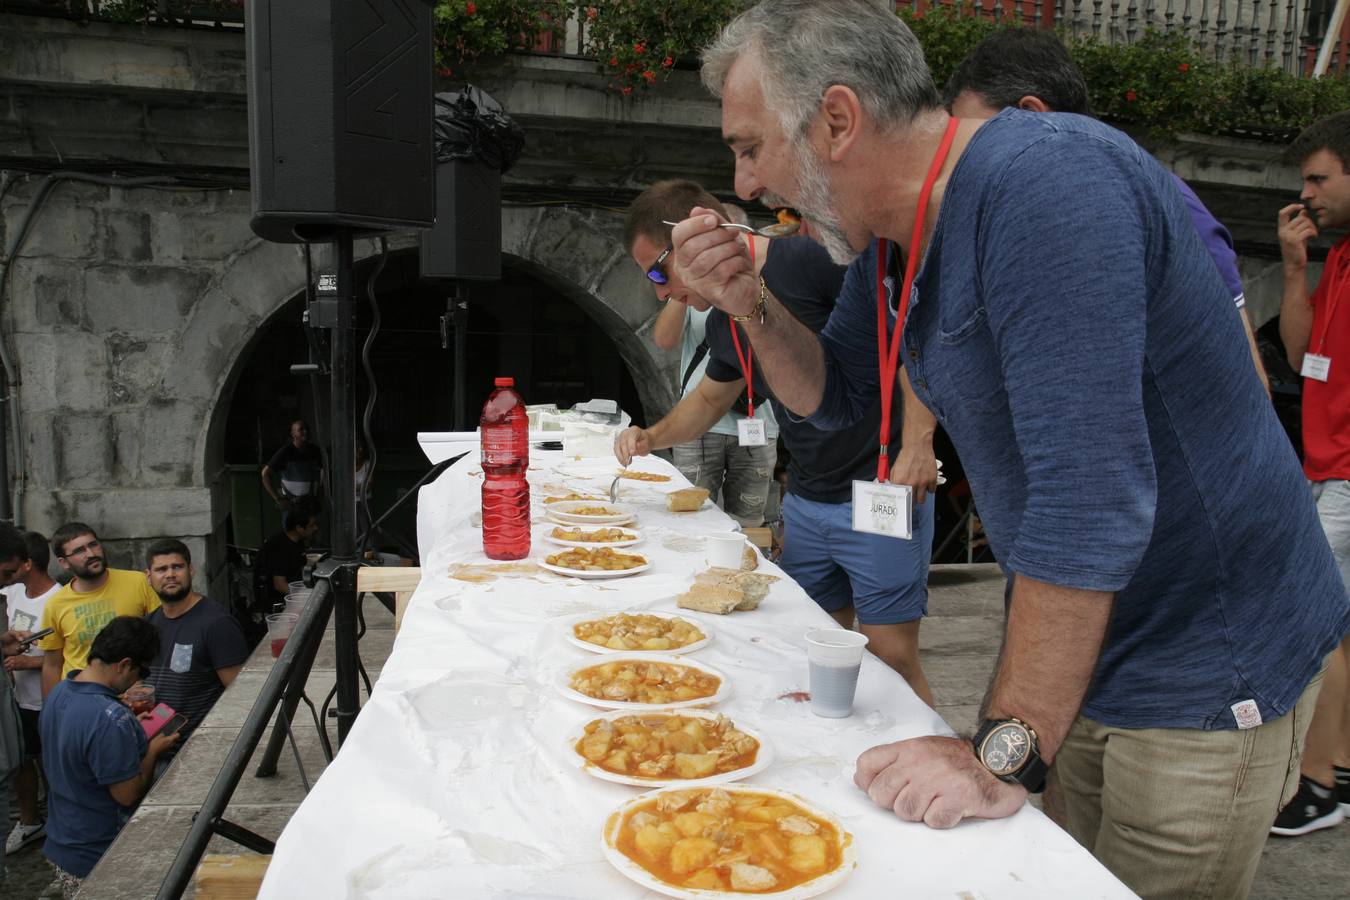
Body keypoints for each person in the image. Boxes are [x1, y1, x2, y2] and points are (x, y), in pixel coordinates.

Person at [692, 3, 1349, 897]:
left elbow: (1091, 499)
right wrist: (749, 304)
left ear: (838, 121)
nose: (749, 183)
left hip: (1209, 652)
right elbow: (841, 408)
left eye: (749, 146)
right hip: (1096, 649)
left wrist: (999, 752)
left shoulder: (1046, 184)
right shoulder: (899, 240)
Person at [616, 180, 938, 703]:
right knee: (817, 648)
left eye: (658, 272)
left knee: (892, 658)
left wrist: (919, 442)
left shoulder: (813, 259)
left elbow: (912, 341)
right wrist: (650, 437)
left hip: (878, 489)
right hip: (808, 502)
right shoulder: (724, 315)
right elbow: (707, 402)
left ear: (699, 232)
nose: (659, 293)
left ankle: (933, 773)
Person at [943, 27, 1270, 395]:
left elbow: (1248, 385)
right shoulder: (1039, 213)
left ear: (1031, 114)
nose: (966, 164)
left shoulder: (1165, 202)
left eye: (975, 140)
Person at [1273, 109, 1350, 836]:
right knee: (1340, 632)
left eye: (1319, 178)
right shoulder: (1341, 260)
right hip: (1325, 470)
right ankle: (1340, 768)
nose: (1308, 194)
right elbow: (1301, 359)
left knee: (1317, 630)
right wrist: (1297, 268)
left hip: (1346, 476)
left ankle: (1319, 785)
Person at [647, 193, 779, 527]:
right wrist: (687, 285)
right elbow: (663, 339)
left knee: (750, 522)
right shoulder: (696, 299)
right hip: (700, 422)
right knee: (691, 519)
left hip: (757, 421)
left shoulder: (767, 286)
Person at [40, 616, 179, 896]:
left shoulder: (59, 692)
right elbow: (126, 795)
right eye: (142, 671)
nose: (139, 680)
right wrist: (152, 751)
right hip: (97, 853)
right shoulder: (110, 719)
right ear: (124, 664)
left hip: (62, 842)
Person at [144, 540, 249, 773]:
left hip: (198, 755)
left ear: (191, 570)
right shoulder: (149, 623)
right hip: (154, 750)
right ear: (148, 576)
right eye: (161, 569)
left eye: (177, 567)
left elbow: (240, 696)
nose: (170, 574)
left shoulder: (216, 624)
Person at [37, 523, 160, 698]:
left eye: (93, 545)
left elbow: (162, 636)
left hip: (135, 698)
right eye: (79, 551)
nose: (91, 554)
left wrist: (142, 682)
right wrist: (53, 709)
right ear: (64, 563)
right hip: (82, 700)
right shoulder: (55, 603)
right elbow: (52, 665)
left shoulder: (138, 582)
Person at [0, 528, 59, 855]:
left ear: (27, 565)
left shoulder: (59, 597)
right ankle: (29, 820)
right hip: (17, 698)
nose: (7, 580)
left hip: (45, 699)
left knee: (51, 764)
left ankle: (57, 822)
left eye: (11, 572)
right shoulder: (12, 593)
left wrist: (27, 662)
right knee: (22, 762)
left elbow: (68, 652)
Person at [251, 502, 319, 641]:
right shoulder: (280, 547)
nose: (315, 528)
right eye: (311, 525)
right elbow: (280, 584)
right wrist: (308, 597)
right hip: (277, 603)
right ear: (299, 528)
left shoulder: (297, 542)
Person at [261, 419, 324, 510]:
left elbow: (323, 471)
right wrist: (278, 499)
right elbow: (265, 474)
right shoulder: (285, 451)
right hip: (290, 505)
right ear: (293, 434)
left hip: (310, 504)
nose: (305, 432)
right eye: (301, 429)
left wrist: (321, 489)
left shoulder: (315, 451)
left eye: (306, 429)